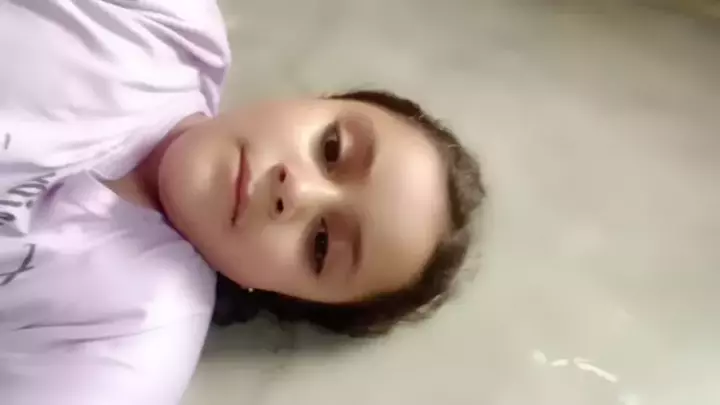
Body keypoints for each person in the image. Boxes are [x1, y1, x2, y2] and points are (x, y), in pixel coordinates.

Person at [0, 1, 484, 404]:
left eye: (320, 245)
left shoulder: (135, 341)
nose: (295, 191)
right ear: (313, 101)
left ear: (280, 293)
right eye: (331, 148)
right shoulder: (168, 22)